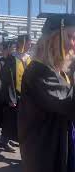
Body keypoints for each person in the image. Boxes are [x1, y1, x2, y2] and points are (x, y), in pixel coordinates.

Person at [18, 13, 75, 172]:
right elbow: (67, 103)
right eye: (70, 37)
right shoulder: (38, 71)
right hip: (45, 154)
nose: (73, 44)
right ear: (54, 39)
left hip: (58, 146)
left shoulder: (58, 72)